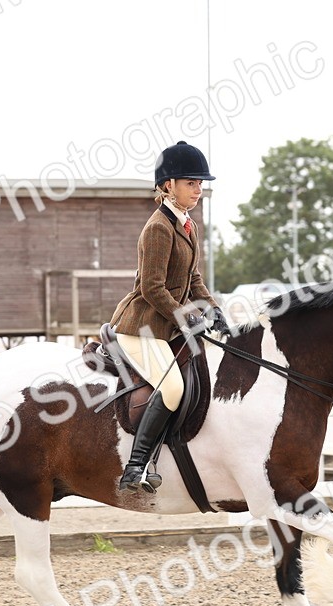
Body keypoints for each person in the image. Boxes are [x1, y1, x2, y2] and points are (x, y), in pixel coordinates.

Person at [108, 141, 229, 494]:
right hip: (141, 327)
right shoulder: (158, 228)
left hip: (166, 325)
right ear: (167, 186)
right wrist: (184, 318)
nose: (199, 189)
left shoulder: (188, 225)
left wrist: (213, 309)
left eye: (200, 184)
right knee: (173, 387)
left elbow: (193, 280)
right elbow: (152, 288)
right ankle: (135, 466)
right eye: (191, 183)